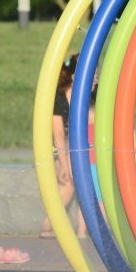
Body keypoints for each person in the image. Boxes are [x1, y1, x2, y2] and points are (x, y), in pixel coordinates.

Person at [40, 54, 88, 239]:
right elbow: (58, 134)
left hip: (74, 149)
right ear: (75, 75)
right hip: (59, 150)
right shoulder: (59, 98)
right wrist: (64, 163)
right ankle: (48, 224)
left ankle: (60, 226)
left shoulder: (87, 96)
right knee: (69, 181)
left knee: (73, 179)